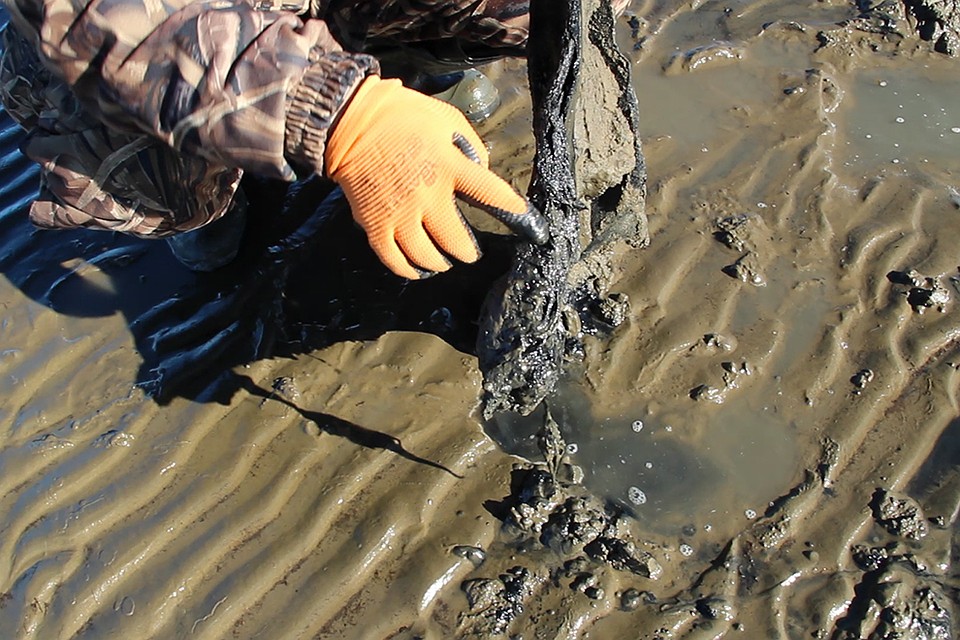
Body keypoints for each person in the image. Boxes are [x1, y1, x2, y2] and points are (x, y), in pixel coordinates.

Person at [0, 1, 622, 278]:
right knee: (157, 185)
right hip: (132, 30)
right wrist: (345, 118)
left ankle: (408, 63)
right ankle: (209, 181)